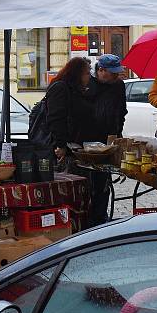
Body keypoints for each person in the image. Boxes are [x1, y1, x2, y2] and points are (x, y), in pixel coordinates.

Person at [46, 55, 127, 226]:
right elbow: (62, 116)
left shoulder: (118, 85)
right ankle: (82, 221)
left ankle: (99, 219)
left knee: (102, 185)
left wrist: (117, 135)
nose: (114, 77)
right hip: (82, 145)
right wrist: (63, 143)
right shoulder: (83, 85)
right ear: (101, 71)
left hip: (107, 143)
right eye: (111, 73)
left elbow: (121, 112)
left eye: (116, 74)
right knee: (82, 185)